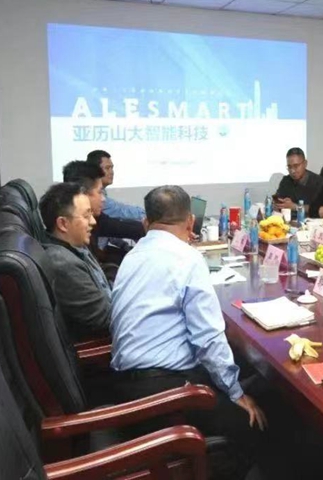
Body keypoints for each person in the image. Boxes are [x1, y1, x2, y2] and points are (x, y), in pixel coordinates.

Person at [109, 185, 267, 477]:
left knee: (237, 373)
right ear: (191, 221)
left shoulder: (132, 255)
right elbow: (207, 338)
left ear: (146, 222)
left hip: (123, 385)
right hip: (162, 395)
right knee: (251, 423)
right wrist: (236, 394)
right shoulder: (187, 258)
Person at [39, 182, 111, 342]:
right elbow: (105, 319)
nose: (93, 221)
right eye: (86, 216)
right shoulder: (64, 264)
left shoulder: (75, 245)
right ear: (63, 224)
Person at [62, 161, 145, 255]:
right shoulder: (68, 245)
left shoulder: (97, 218)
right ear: (82, 193)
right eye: (99, 192)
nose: (103, 199)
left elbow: (119, 226)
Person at [86, 150, 145, 220]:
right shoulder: (92, 194)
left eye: (112, 168)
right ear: (95, 170)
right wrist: (148, 214)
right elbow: (119, 210)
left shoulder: (102, 192)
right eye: (107, 168)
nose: (111, 172)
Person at [274, 147, 323, 212]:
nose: (292, 171)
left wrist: (294, 207)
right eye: (289, 167)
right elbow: (278, 200)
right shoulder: (286, 180)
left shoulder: (319, 182)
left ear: (305, 163)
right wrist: (277, 204)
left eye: (296, 166)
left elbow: (322, 209)